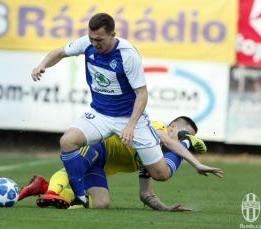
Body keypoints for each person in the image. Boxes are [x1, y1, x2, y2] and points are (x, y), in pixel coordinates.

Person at [31, 13, 221, 206]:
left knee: (161, 174)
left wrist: (130, 126)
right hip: (99, 114)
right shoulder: (87, 43)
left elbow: (142, 94)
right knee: (67, 141)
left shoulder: (128, 55)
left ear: (113, 34)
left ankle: (186, 142)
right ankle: (79, 197)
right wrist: (42, 65)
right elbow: (60, 52)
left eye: (99, 40)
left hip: (130, 119)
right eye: (91, 39)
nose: (95, 43)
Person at [19, 116, 223, 210]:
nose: (183, 141)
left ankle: (43, 187)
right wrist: (195, 161)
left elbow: (146, 194)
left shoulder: (153, 158)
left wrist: (166, 209)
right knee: (76, 169)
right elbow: (169, 140)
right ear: (173, 127)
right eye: (185, 135)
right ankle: (52, 192)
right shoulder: (156, 126)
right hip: (97, 146)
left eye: (189, 139)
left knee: (101, 204)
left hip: (99, 167)